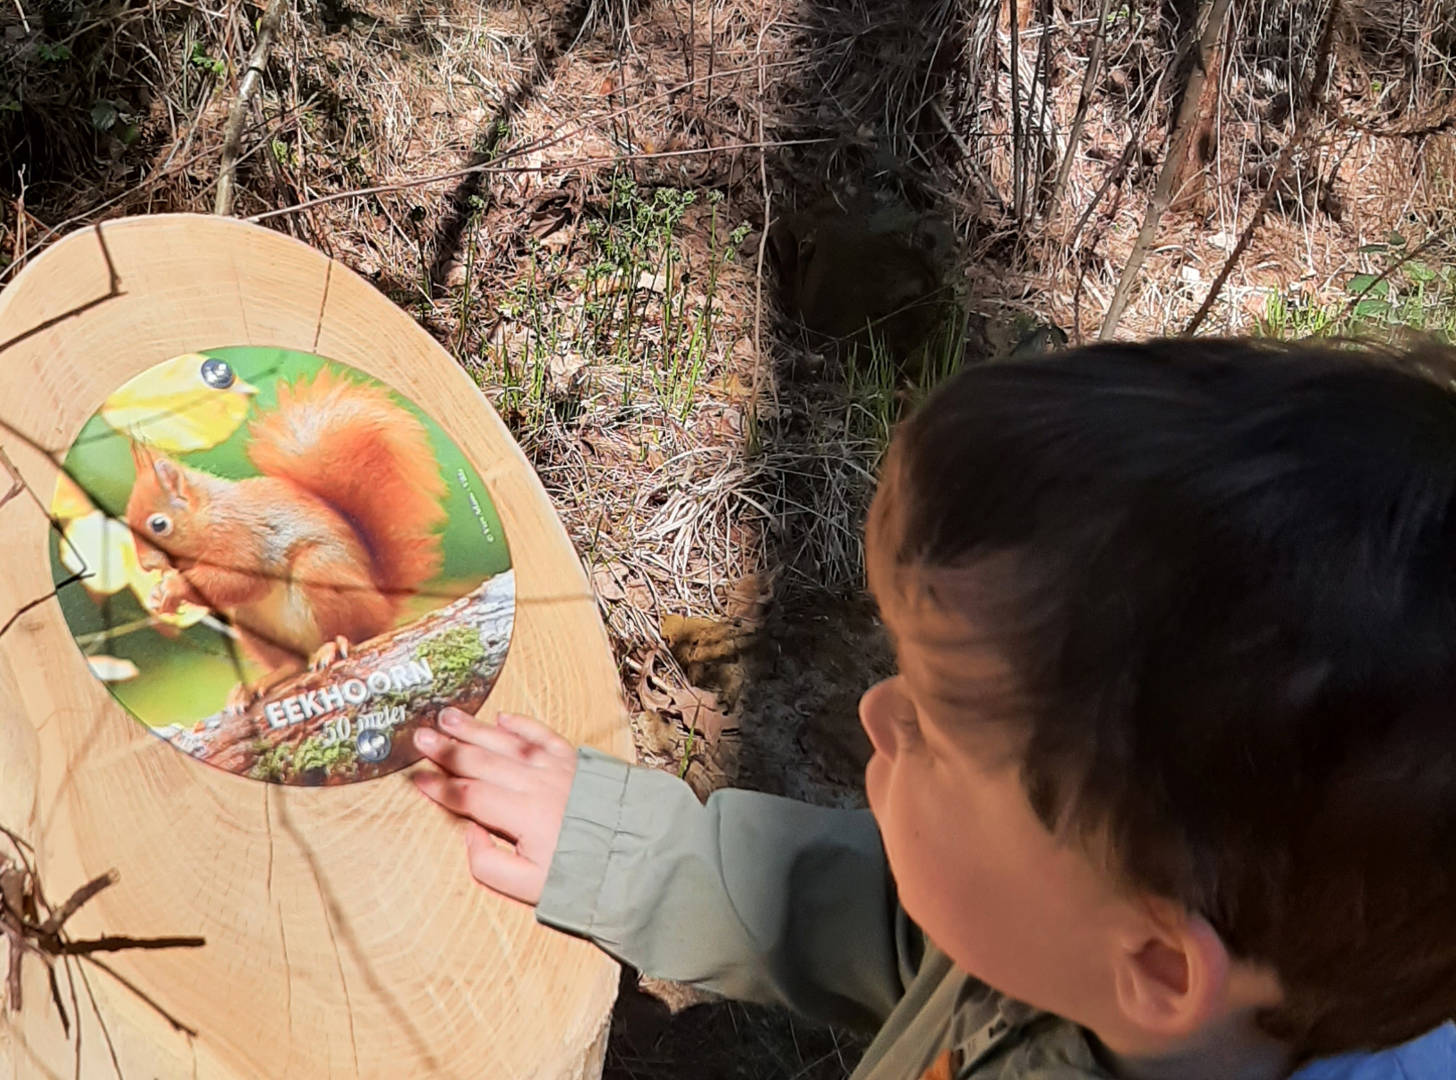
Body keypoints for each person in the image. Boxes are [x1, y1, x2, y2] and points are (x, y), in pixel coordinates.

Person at [411, 338, 1456, 1079]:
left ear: (1154, 964)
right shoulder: (1079, 932)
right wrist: (629, 852)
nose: (875, 715)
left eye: (940, 737)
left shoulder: (1069, 926)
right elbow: (901, 922)